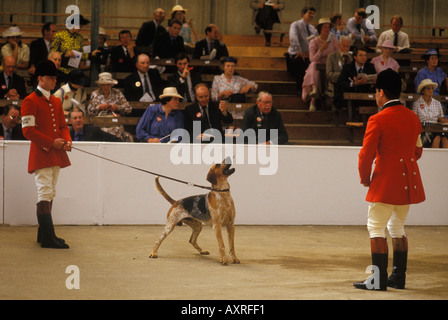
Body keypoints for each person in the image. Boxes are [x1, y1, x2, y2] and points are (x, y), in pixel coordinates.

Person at [354, 68, 425, 291]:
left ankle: (377, 279)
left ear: (381, 92)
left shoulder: (378, 119)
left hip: (385, 181)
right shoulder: (413, 118)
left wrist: (366, 178)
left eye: (376, 92)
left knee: (375, 227)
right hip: (408, 183)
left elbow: (366, 155)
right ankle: (398, 277)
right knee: (397, 226)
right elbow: (418, 151)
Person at [21, 59, 72, 249]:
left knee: (51, 191)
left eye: (54, 78)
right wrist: (52, 143)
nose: (54, 81)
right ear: (40, 79)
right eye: (50, 78)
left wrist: (67, 140)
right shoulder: (29, 100)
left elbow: (62, 126)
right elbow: (28, 131)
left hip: (56, 153)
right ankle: (49, 237)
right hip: (42, 153)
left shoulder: (56, 101)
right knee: (44, 192)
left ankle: (44, 235)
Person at [302, 18, 339, 111]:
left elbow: (337, 56)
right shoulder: (314, 41)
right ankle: (313, 96)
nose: (327, 29)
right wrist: (321, 49)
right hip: (318, 65)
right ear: (320, 29)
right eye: (324, 27)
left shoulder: (334, 41)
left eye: (328, 27)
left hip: (330, 65)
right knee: (314, 66)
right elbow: (312, 59)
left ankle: (331, 102)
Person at [87, 72, 133, 142]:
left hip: (115, 123)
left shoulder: (117, 93)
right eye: (103, 85)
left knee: (121, 133)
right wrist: (99, 107)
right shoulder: (95, 94)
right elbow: (89, 111)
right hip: (100, 123)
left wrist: (117, 107)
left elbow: (128, 109)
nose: (106, 87)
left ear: (111, 85)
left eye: (108, 85)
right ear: (100, 85)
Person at [286, 6, 317, 95]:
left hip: (308, 55)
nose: (312, 15)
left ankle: (314, 91)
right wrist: (299, 51)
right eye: (310, 13)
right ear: (303, 14)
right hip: (296, 54)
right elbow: (293, 38)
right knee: (300, 63)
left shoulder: (312, 28)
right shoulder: (295, 24)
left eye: (313, 13)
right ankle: (301, 90)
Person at [413, 79, 448, 148]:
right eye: (428, 88)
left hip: (436, 127)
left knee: (444, 139)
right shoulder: (417, 103)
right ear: (423, 91)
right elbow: (414, 119)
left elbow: (442, 119)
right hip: (423, 128)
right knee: (437, 138)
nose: (431, 90)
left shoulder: (437, 103)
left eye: (432, 88)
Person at [326, 36, 352, 100]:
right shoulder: (332, 56)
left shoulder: (351, 57)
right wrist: (343, 75)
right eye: (344, 46)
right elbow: (329, 74)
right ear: (339, 45)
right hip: (336, 84)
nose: (346, 48)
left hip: (349, 84)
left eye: (348, 46)